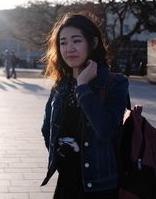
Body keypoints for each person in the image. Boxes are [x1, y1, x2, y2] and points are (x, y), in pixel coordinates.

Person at [40, 13, 129, 198]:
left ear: (93, 43)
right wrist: (63, 157)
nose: (69, 48)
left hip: (101, 186)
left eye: (76, 40)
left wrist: (83, 87)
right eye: (63, 43)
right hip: (66, 183)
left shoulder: (115, 83)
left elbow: (106, 130)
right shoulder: (60, 86)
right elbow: (46, 129)